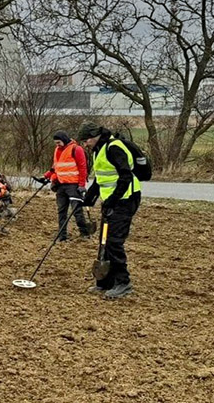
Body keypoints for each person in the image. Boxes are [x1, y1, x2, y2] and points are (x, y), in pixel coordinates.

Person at [79, 123, 142, 300]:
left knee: (114, 241)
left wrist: (113, 200)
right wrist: (89, 199)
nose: (85, 144)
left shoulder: (114, 148)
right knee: (104, 241)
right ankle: (105, 281)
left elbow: (125, 176)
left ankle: (123, 283)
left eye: (87, 140)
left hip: (125, 200)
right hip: (112, 201)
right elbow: (102, 179)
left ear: (95, 135)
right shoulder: (100, 149)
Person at [44, 131, 92, 241]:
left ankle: (84, 233)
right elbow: (56, 166)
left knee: (77, 210)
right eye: (56, 143)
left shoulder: (76, 149)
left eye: (59, 142)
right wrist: (47, 176)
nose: (57, 145)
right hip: (61, 185)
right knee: (61, 211)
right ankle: (62, 235)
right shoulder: (57, 150)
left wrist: (81, 185)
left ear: (64, 140)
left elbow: (82, 168)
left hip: (74, 186)